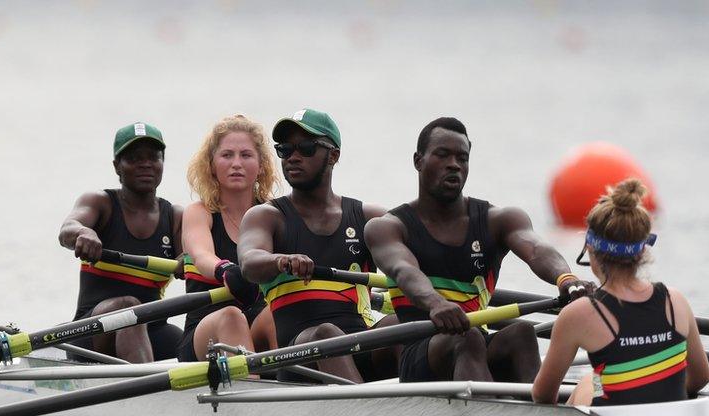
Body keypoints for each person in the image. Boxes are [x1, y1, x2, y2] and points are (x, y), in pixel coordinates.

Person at [365, 117, 590, 384]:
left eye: (462, 158)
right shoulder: (387, 228)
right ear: (418, 161)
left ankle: (542, 415)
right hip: (420, 352)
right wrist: (437, 303)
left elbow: (536, 249)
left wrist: (567, 279)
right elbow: (404, 271)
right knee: (467, 337)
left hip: (475, 344)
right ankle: (494, 414)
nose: (454, 164)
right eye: (443, 155)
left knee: (521, 334)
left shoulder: (499, 220)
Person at [238, 108, 398, 383]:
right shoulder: (266, 217)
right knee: (327, 333)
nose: (294, 157)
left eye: (307, 147)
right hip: (300, 357)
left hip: (360, 348)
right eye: (285, 150)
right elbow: (250, 262)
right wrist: (280, 261)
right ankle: (367, 414)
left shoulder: (369, 218)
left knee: (403, 324)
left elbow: (418, 253)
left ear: (333, 155)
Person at [532, 179, 709, 406]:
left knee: (589, 381)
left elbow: (542, 395)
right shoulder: (676, 301)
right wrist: (653, 389)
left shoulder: (578, 314)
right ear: (642, 251)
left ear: (590, 249)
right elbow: (701, 377)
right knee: (598, 379)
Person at [59, 122, 183, 363]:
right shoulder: (100, 203)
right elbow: (68, 229)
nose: (145, 164)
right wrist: (84, 234)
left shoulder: (175, 216)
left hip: (152, 329)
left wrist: (189, 262)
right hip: (91, 331)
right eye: (135, 158)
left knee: (195, 342)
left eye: (153, 157)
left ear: (162, 163)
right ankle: (145, 394)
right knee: (128, 308)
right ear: (117, 166)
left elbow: (193, 255)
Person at [176, 114, 279, 362]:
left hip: (257, 324)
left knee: (280, 312)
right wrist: (224, 270)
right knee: (232, 316)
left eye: (246, 155)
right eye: (227, 155)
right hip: (207, 329)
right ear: (211, 165)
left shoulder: (275, 215)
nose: (236, 163)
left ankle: (297, 387)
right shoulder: (199, 213)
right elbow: (202, 255)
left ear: (261, 165)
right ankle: (254, 394)